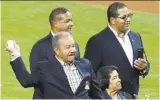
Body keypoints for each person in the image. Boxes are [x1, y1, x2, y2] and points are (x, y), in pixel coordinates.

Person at [5, 32, 108, 99]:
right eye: (68, 47)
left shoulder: (85, 64)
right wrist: (15, 53)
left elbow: (96, 93)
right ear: (57, 51)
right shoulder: (44, 68)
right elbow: (26, 81)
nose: (73, 50)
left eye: (73, 46)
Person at [84, 2, 150, 98]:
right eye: (123, 17)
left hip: (131, 96)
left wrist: (144, 67)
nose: (128, 20)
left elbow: (145, 63)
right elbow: (88, 73)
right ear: (112, 20)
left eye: (129, 16)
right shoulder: (97, 41)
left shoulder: (135, 37)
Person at [29, 7, 80, 98]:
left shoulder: (74, 45)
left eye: (71, 20)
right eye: (67, 21)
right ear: (56, 24)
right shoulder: (40, 47)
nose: (71, 24)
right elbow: (36, 79)